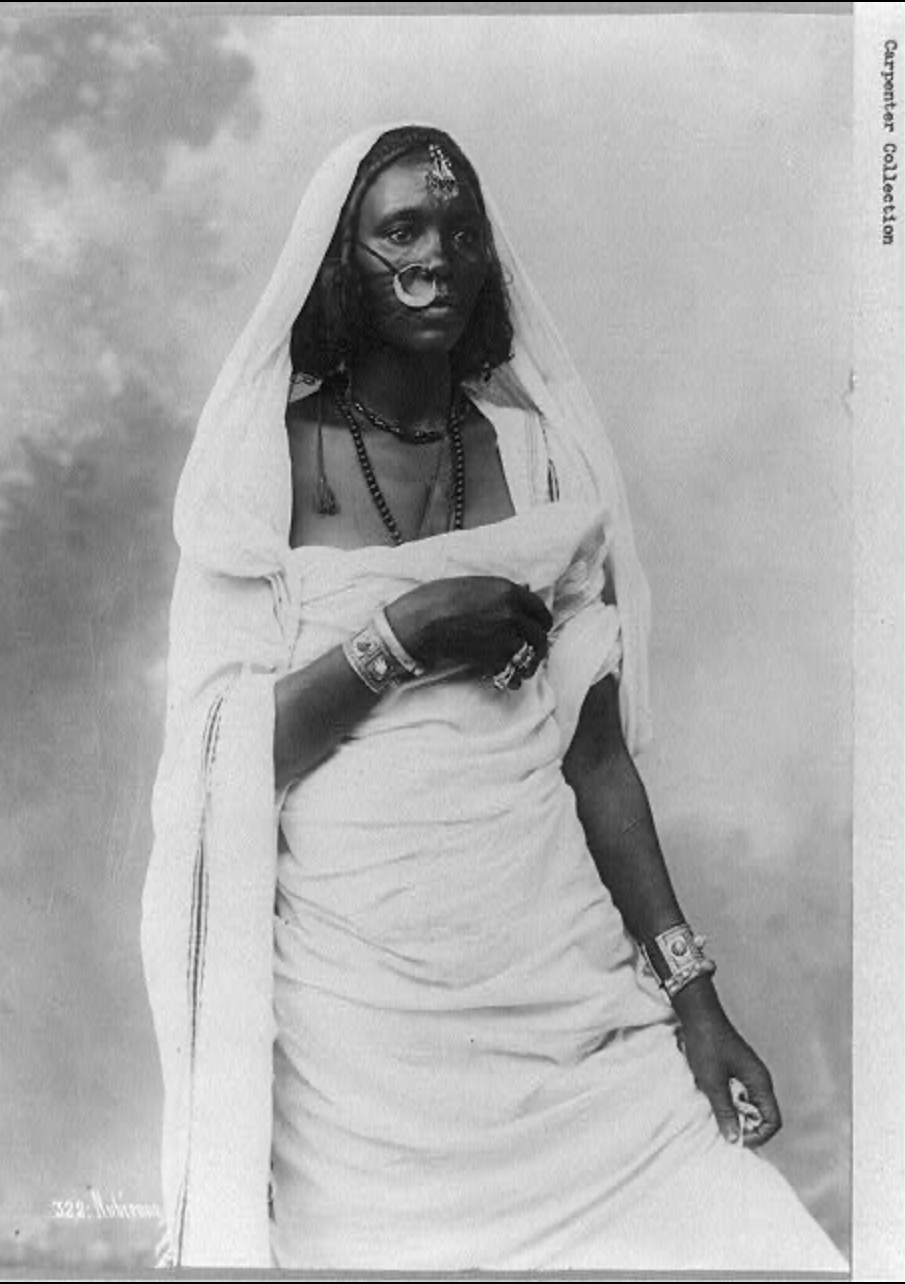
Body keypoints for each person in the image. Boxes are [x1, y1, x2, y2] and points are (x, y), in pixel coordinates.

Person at [141, 124, 848, 1271]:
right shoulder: (260, 466)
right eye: (402, 230)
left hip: (565, 1005)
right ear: (341, 261)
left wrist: (698, 1004)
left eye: (461, 230)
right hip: (359, 1049)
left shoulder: (541, 458)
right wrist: (405, 635)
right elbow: (222, 759)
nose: (439, 256)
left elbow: (600, 763)